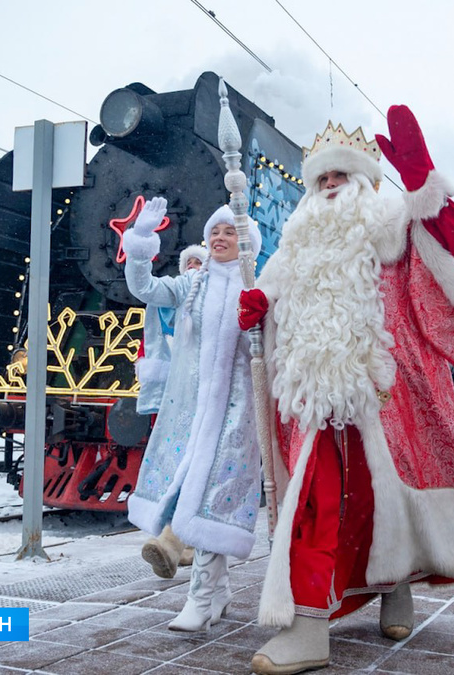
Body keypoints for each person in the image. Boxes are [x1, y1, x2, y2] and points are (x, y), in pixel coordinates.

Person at [238, 107, 454, 674]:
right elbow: (273, 305)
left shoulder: (391, 226)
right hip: (315, 406)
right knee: (316, 509)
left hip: (390, 398)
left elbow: (444, 259)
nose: (328, 186)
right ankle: (308, 627)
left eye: (338, 176)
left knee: (388, 501)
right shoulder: (293, 250)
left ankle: (398, 584)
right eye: (321, 177)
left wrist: (425, 192)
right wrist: (260, 309)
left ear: (367, 183)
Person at [122, 199, 263, 631]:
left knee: (212, 497)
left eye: (229, 233)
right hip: (189, 411)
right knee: (191, 495)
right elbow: (144, 289)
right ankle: (213, 593)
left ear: (246, 243)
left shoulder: (256, 285)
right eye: (214, 233)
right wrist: (141, 242)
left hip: (236, 414)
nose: (220, 239)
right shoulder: (192, 284)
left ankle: (203, 597)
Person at [134, 244, 207, 579]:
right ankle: (177, 542)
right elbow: (145, 288)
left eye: (198, 261)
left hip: (213, 391)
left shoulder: (221, 291)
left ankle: (177, 542)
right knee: (182, 465)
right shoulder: (177, 291)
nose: (192, 265)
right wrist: (138, 249)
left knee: (199, 468)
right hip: (181, 394)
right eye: (187, 262)